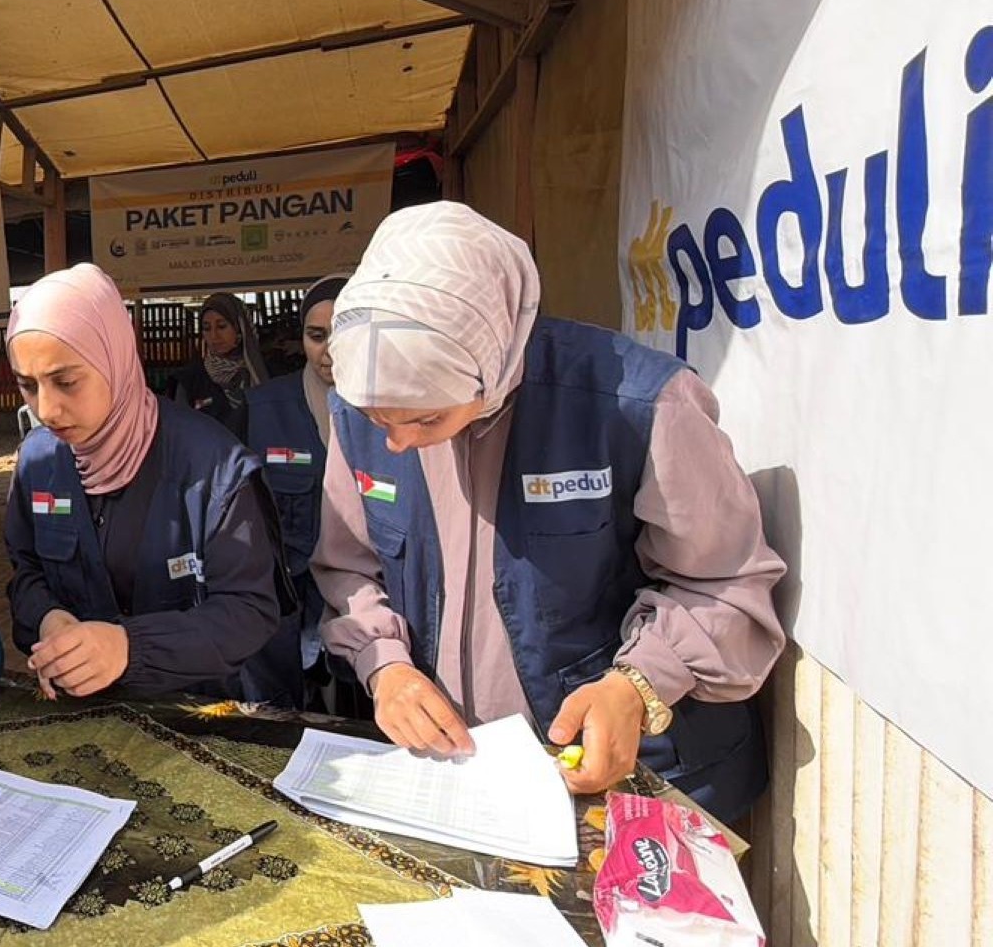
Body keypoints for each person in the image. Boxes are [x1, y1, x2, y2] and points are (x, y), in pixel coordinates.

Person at [313, 202, 785, 824]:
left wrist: (637, 685)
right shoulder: (359, 414)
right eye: (381, 420)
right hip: (468, 775)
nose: (398, 442)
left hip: (640, 774)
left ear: (491, 361)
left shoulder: (641, 404)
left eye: (427, 417)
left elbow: (726, 584)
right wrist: (386, 668)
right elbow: (348, 570)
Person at [4, 265, 303, 707]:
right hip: (86, 712)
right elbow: (25, 573)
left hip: (201, 715)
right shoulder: (38, 462)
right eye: (28, 385)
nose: (46, 409)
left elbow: (249, 612)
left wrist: (129, 648)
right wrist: (48, 619)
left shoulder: (215, 467)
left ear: (115, 357)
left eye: (66, 381)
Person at [245, 277, 348, 706]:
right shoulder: (262, 408)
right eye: (316, 335)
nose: (329, 350)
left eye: (343, 333)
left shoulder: (398, 410)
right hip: (288, 596)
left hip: (368, 601)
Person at [171, 291, 267, 438]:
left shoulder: (265, 373)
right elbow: (182, 436)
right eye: (207, 328)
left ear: (240, 328)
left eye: (222, 326)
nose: (214, 336)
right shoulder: (190, 381)